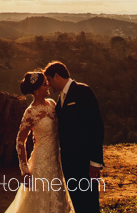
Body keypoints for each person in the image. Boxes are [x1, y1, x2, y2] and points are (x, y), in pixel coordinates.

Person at [4, 71, 75, 213]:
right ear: (36, 90)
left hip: (57, 162)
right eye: (44, 84)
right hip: (41, 164)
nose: (48, 85)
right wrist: (24, 170)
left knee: (58, 200)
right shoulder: (30, 112)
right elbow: (20, 141)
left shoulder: (52, 104)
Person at [44, 61, 104, 213]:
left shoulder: (83, 92)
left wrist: (95, 162)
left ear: (57, 76)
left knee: (89, 203)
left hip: (85, 162)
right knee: (77, 202)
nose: (49, 85)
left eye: (49, 80)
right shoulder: (59, 100)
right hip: (69, 163)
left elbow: (96, 126)